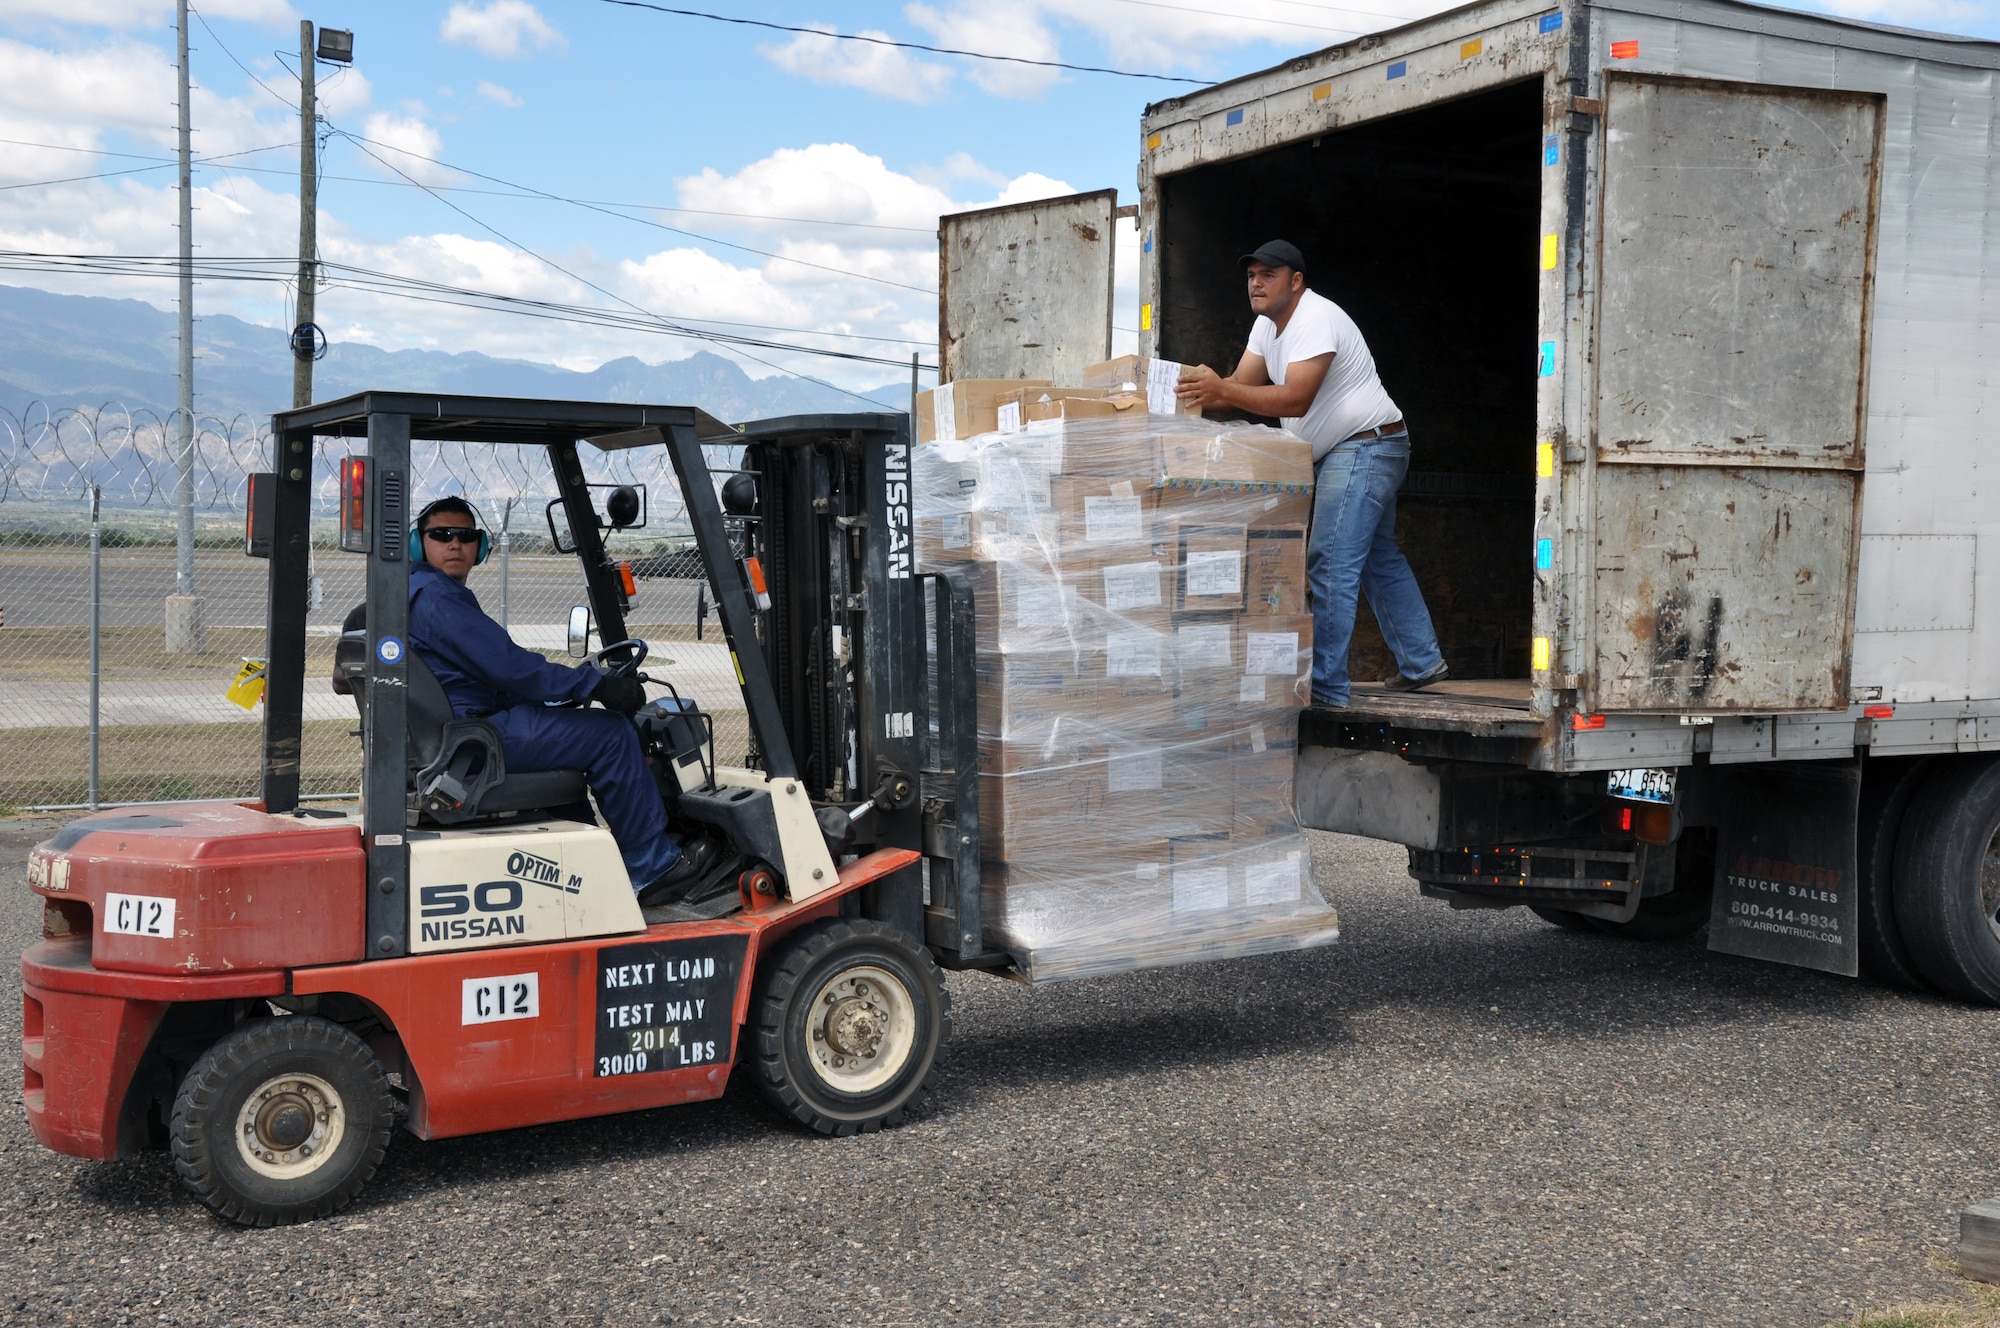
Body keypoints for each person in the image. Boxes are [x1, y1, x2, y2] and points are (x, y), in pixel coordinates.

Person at [1175, 239, 1445, 709]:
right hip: (1354, 448)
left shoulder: (1316, 318)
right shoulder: (1266, 327)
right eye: (1251, 276)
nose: (1256, 284)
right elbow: (1238, 390)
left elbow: (1294, 398)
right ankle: (1422, 661)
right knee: (1378, 559)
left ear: (1295, 282)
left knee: (1331, 562)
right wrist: (1189, 394)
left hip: (1366, 444)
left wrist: (1223, 389)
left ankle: (1325, 690)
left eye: (1268, 275)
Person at [402, 496, 714, 898]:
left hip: (460, 733)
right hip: (473, 738)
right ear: (418, 543)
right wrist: (592, 685)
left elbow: (496, 672)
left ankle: (589, 865)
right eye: (441, 535)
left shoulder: (418, 593)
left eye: (466, 535)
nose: (455, 544)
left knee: (571, 729)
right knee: (611, 735)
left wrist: (562, 690)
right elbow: (509, 667)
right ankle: (651, 865)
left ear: (478, 546)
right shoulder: (437, 599)